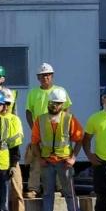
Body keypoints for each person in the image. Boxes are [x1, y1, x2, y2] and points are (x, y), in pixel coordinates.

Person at [28, 88, 84, 211]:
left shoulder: (69, 119)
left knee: (69, 193)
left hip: (64, 162)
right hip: (47, 162)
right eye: (53, 102)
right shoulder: (40, 120)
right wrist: (40, 158)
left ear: (63, 105)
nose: (54, 106)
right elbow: (34, 142)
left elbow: (79, 139)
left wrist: (73, 158)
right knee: (47, 193)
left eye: (58, 103)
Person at [25, 63, 72, 199]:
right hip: (40, 130)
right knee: (36, 160)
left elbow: (67, 108)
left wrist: (65, 127)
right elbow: (29, 112)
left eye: (47, 75)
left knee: (59, 159)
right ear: (38, 77)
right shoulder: (33, 92)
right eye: (42, 75)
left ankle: (61, 188)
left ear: (52, 76)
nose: (45, 77)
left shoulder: (60, 90)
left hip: (57, 131)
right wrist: (34, 129)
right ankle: (34, 188)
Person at [1, 89, 28, 211]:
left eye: (8, 104)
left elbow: (16, 143)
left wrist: (13, 163)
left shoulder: (14, 120)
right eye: (3, 103)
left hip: (12, 160)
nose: (5, 106)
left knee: (17, 191)